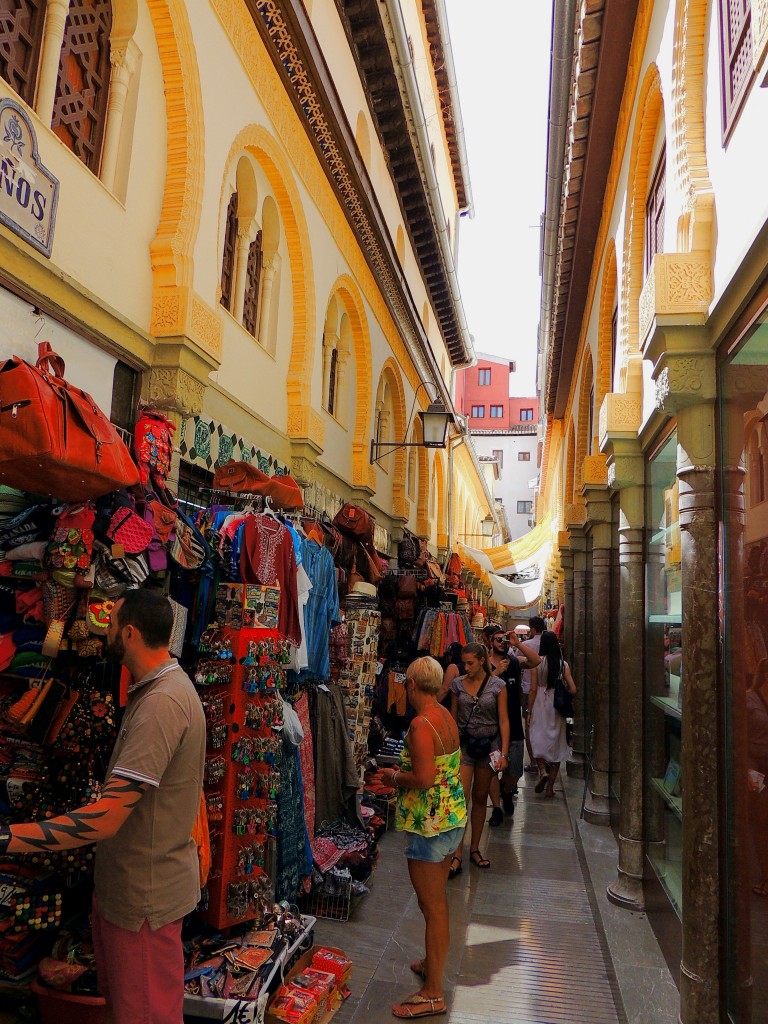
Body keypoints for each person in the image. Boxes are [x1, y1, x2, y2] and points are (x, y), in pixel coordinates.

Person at [0, 590, 206, 1024]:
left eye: (110, 622)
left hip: (144, 904)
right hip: (130, 897)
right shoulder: (154, 689)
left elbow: (108, 817)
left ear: (129, 633)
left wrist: (9, 839)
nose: (104, 630)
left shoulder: (162, 703)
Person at [379, 657, 466, 1020]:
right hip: (451, 818)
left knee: (433, 908)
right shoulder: (444, 715)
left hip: (429, 823)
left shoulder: (419, 724)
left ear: (412, 685)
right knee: (437, 903)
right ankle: (432, 963)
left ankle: (433, 993)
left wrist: (394, 777)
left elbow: (425, 778)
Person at [448, 642, 510, 874]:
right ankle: (456, 852)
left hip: (488, 746)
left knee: (480, 796)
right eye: (464, 662)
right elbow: (453, 718)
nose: (466, 667)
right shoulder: (458, 684)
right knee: (461, 797)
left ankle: (474, 848)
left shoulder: (498, 686)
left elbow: (504, 720)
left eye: (470, 663)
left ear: (482, 661)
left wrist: (503, 753)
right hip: (465, 747)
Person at [491, 629, 541, 818]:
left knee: (515, 770)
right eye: (498, 639)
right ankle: (496, 809)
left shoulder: (514, 661)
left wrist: (518, 644)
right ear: (491, 643)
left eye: (504, 639)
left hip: (513, 723)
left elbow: (536, 661)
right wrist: (497, 672)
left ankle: (506, 790)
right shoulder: (485, 665)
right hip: (492, 725)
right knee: (492, 769)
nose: (502, 642)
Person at [528, 630, 577, 798]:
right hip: (556, 705)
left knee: (537, 737)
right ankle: (550, 788)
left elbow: (533, 688)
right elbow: (573, 689)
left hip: (540, 703)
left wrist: (529, 711)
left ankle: (542, 770)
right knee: (556, 742)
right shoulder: (563, 665)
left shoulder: (537, 663)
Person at [516, 615, 546, 774]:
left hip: (528, 690)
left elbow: (514, 662)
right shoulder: (548, 644)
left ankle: (534, 762)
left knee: (529, 726)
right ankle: (545, 760)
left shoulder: (525, 645)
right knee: (543, 725)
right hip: (547, 692)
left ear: (533, 629)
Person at [438, 641, 464, 708]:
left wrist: (432, 704)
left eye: (449, 655)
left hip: (450, 705)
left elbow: (445, 689)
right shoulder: (467, 667)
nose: (448, 658)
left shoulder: (453, 667)